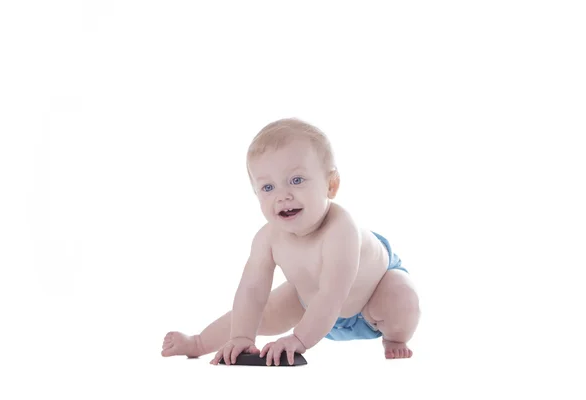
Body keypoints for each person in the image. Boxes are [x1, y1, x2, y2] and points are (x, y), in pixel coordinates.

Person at [161, 118, 421, 366]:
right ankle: (197, 343)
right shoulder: (268, 237)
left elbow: (333, 293)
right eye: (268, 187)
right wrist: (242, 336)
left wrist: (299, 339)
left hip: (370, 301)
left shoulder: (341, 230)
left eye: (296, 181)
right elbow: (251, 291)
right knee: (264, 312)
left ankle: (395, 336)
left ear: (331, 185)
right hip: (310, 305)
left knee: (401, 296)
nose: (282, 196)